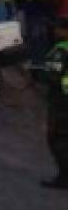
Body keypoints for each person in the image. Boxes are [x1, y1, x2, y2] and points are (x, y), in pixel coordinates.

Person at [42, 42, 68, 190]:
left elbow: (51, 74)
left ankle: (64, 178)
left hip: (62, 103)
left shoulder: (61, 50)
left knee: (57, 139)